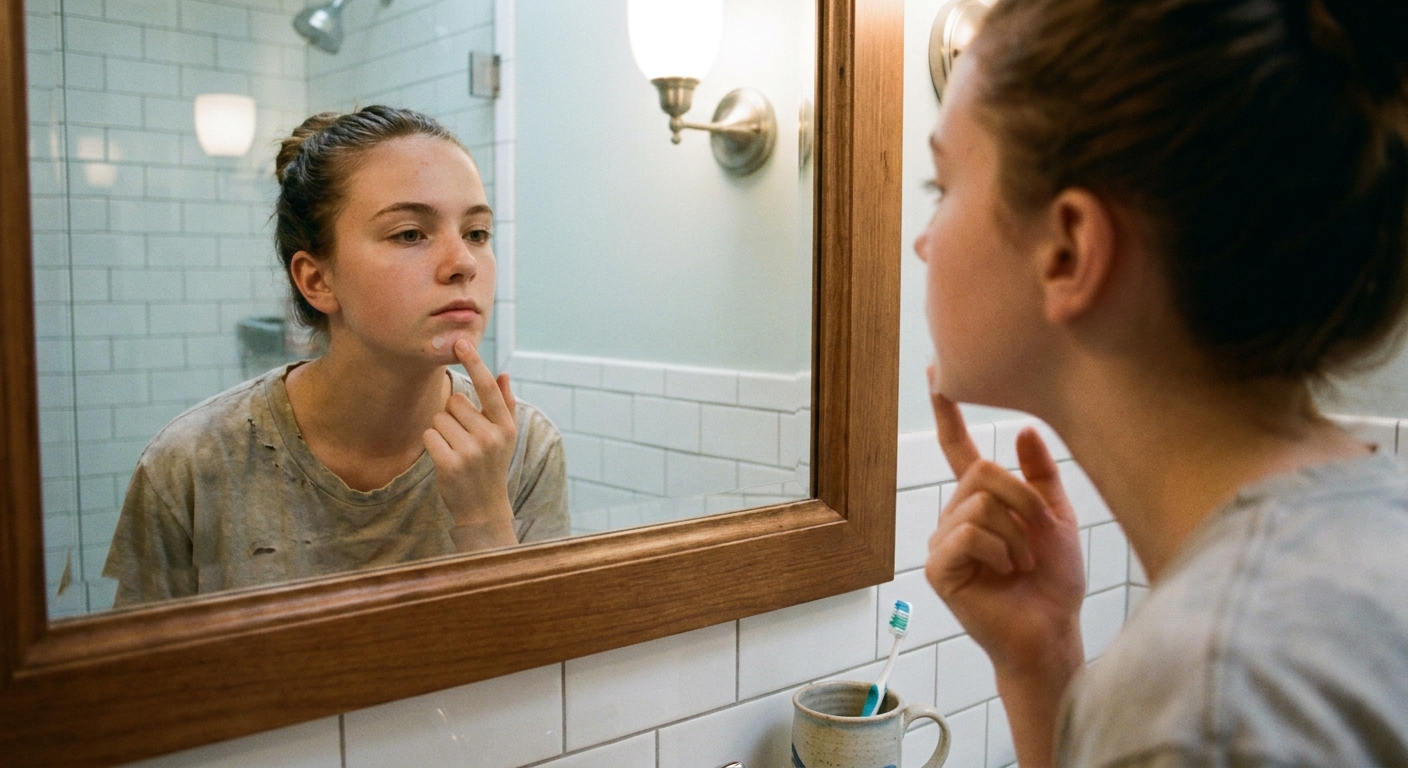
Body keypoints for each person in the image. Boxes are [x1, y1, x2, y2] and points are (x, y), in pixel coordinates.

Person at [915, 0, 1408, 765]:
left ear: (1069, 253)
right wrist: (1040, 660)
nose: (922, 240)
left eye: (939, 186)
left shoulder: (1214, 692)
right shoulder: (1371, 530)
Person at [104, 106, 569, 607]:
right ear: (317, 280)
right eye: (410, 233)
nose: (463, 263)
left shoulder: (522, 449)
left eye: (477, 233)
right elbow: (143, 680)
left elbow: (544, 676)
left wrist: (485, 523)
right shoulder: (192, 465)